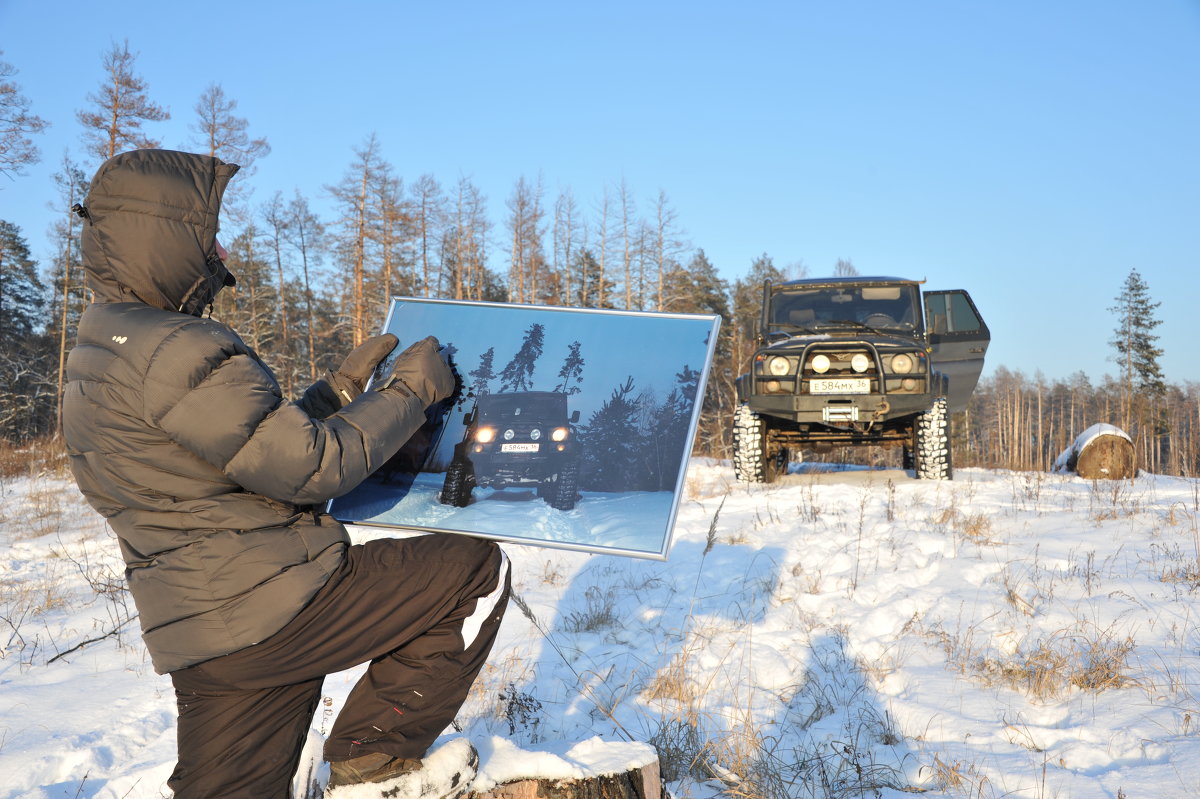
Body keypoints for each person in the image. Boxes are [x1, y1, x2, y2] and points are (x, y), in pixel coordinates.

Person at [62, 148, 510, 798]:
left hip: (204, 637)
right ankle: (370, 762)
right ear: (163, 237)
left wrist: (335, 393)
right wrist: (413, 392)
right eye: (206, 234)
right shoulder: (178, 346)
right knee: (473, 569)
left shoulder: (102, 350)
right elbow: (312, 468)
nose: (221, 251)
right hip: (281, 607)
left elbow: (231, 458)